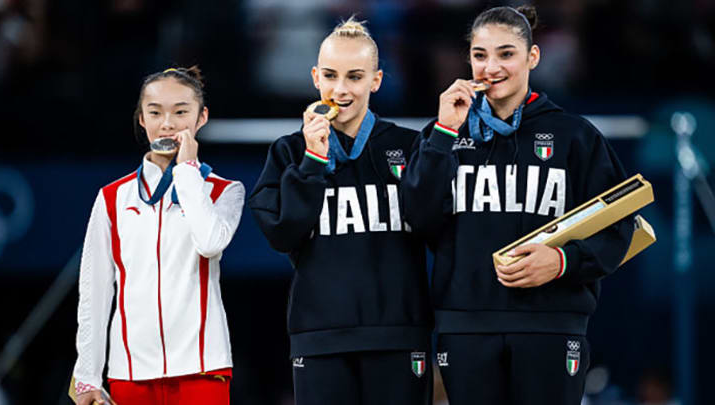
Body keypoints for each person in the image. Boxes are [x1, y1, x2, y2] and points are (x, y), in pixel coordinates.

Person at [401, 5, 635, 405]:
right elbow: (417, 218)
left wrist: (562, 262)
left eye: (506, 53)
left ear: (532, 57)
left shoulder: (574, 136)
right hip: (466, 326)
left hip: (552, 323)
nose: (490, 66)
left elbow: (618, 225)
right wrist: (442, 134)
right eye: (479, 55)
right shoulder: (443, 134)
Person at [249, 17, 432, 405]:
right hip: (319, 336)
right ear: (316, 77)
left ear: (376, 80)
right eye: (331, 76)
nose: (340, 89)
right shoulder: (288, 152)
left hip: (398, 333)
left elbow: (436, 224)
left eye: (354, 76)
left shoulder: (411, 146)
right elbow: (282, 234)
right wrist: (313, 160)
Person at [73, 66, 245, 405]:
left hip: (202, 369)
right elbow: (93, 291)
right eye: (155, 112)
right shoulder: (112, 198)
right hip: (130, 373)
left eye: (181, 112)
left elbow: (210, 242)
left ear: (202, 117)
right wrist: (86, 376)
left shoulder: (224, 192)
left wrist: (188, 171)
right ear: (141, 119)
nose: (167, 124)